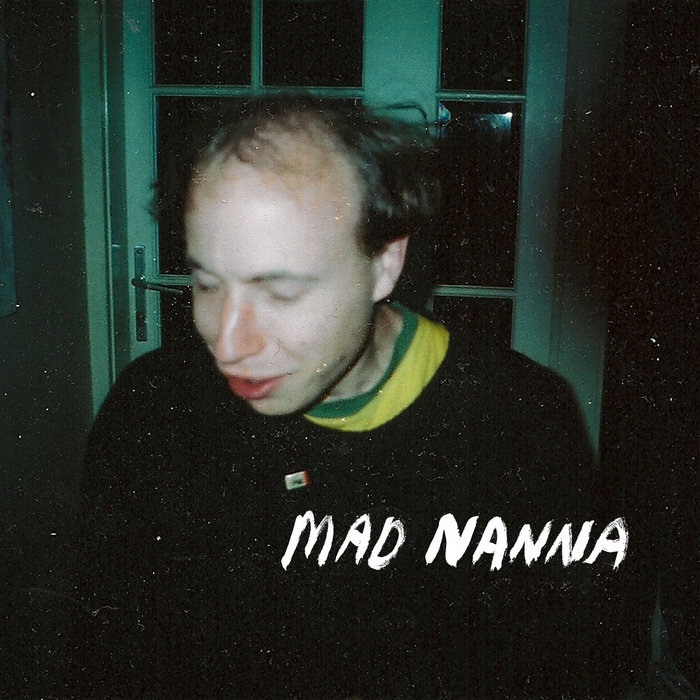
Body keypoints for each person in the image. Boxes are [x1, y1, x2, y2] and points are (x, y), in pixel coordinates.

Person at [72, 94, 613, 698]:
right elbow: (109, 651)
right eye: (206, 283)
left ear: (384, 263)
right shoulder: (152, 409)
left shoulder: (521, 418)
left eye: (281, 291)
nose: (228, 344)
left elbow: (561, 662)